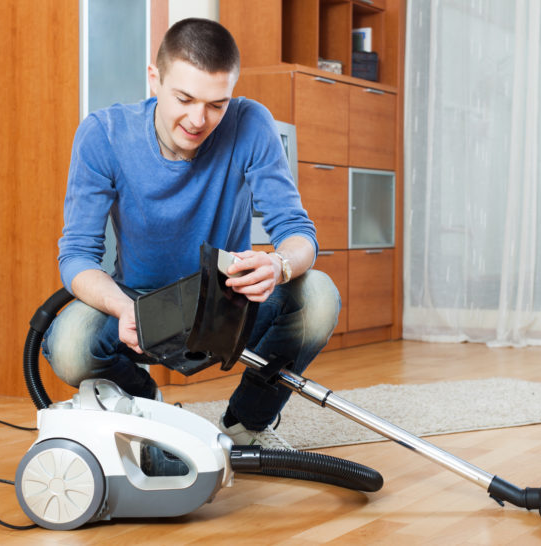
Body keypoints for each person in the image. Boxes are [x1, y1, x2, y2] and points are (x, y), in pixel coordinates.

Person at [42, 18, 340, 455]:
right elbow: (77, 256)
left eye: (217, 104)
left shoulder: (251, 123)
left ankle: (246, 423)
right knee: (67, 346)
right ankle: (145, 407)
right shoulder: (104, 134)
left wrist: (278, 266)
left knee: (318, 295)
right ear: (154, 79)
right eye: (184, 98)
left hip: (223, 299)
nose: (199, 120)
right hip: (138, 301)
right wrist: (124, 307)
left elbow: (297, 232)